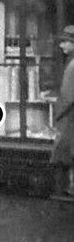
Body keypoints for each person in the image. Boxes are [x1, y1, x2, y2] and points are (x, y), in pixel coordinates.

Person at [52, 25, 74, 200]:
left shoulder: (72, 66)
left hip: (70, 118)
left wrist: (57, 113)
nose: (62, 46)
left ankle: (66, 191)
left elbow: (68, 96)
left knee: (64, 153)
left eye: (65, 42)